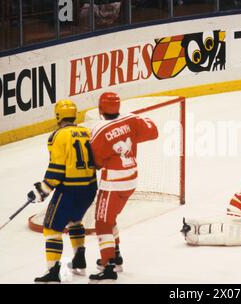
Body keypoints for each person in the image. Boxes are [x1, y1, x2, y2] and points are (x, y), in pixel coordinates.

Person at [89, 92, 158, 282]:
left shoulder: (100, 129)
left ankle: (109, 266)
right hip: (131, 179)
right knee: (110, 218)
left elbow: (95, 161)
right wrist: (135, 125)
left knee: (102, 222)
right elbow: (153, 130)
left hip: (113, 183)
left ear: (101, 108)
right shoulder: (131, 119)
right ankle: (116, 256)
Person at [31, 99, 97, 283]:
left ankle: (52, 273)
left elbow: (57, 170)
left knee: (51, 228)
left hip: (69, 189)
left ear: (58, 115)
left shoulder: (57, 135)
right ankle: (79, 259)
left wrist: (43, 189)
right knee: (75, 220)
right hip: (90, 187)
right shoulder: (87, 132)